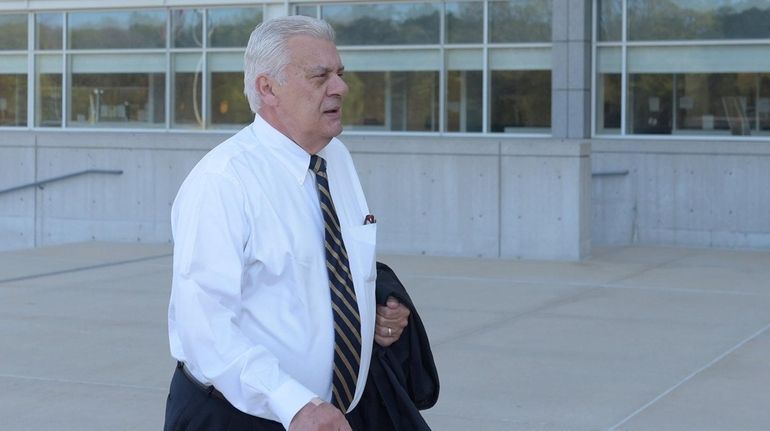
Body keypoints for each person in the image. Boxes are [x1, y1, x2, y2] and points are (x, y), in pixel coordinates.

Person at [163, 15, 410, 431]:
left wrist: (379, 311)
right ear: (267, 88)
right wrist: (292, 403)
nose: (341, 87)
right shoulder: (223, 181)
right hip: (243, 417)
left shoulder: (338, 160)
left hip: (339, 414)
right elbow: (203, 324)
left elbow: (331, 269)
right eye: (320, 76)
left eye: (340, 74)